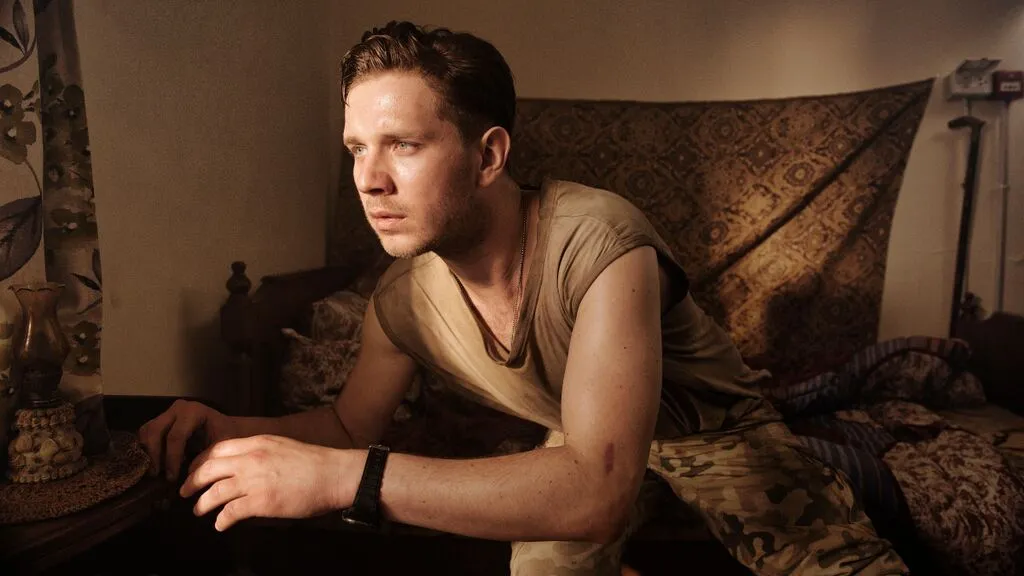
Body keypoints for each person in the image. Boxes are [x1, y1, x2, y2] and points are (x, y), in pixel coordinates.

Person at [140, 21, 908, 575]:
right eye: (357, 149)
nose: (369, 179)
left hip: (709, 430)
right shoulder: (401, 303)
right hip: (580, 435)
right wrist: (232, 428)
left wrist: (345, 480)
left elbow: (597, 493)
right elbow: (348, 425)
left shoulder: (601, 240)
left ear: (488, 156)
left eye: (403, 144)